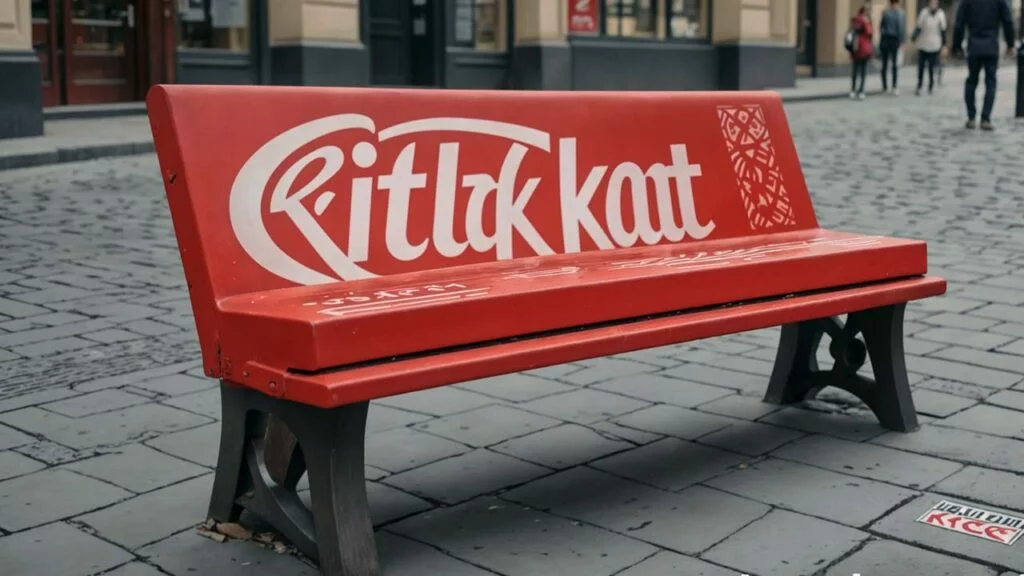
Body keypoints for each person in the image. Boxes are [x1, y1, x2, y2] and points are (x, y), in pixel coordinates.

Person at [952, 0, 1015, 130]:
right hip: (991, 46)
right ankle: (985, 118)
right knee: (990, 82)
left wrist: (956, 46)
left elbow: (959, 23)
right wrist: (1010, 44)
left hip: (974, 47)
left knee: (971, 81)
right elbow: (1007, 21)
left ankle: (971, 117)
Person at [914, 0, 947, 95]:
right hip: (923, 43)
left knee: (931, 67)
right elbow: (918, 27)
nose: (933, 5)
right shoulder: (924, 13)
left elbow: (943, 30)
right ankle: (919, 85)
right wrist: (914, 37)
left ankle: (931, 85)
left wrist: (944, 44)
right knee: (921, 67)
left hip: (934, 44)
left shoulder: (940, 14)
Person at [879, 0, 907, 94]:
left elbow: (902, 28)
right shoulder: (887, 13)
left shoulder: (900, 14)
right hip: (887, 40)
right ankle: (885, 86)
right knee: (885, 64)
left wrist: (902, 41)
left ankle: (894, 86)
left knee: (894, 64)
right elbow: (882, 27)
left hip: (894, 40)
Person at [849, 4, 875, 100]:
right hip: (864, 48)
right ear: (866, 11)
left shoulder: (855, 19)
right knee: (863, 71)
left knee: (855, 70)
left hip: (856, 48)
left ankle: (853, 90)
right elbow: (870, 33)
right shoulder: (865, 21)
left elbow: (852, 31)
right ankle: (861, 91)